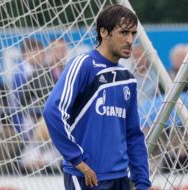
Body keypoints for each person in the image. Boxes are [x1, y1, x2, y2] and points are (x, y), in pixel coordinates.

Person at [43, 4, 151, 190]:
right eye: (124, 33)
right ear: (104, 32)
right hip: (86, 177)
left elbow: (133, 135)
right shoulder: (84, 65)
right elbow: (53, 111)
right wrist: (78, 161)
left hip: (120, 179)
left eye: (133, 34)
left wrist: (142, 181)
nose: (129, 40)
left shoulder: (128, 79)